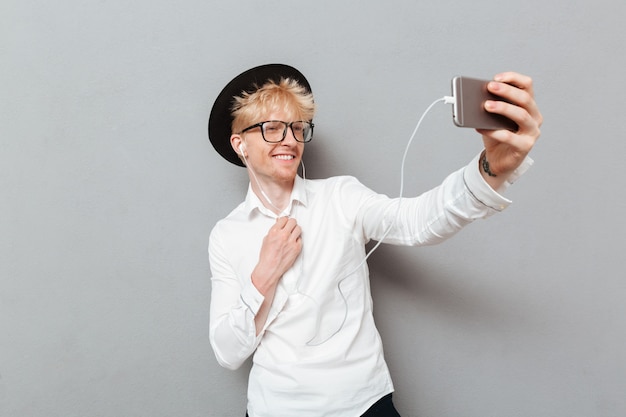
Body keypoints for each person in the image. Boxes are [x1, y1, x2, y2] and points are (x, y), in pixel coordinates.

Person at [207, 64, 542, 417]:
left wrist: (492, 167)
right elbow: (228, 353)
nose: (289, 139)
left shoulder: (341, 196)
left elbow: (419, 222)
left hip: (364, 406)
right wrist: (264, 274)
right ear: (239, 143)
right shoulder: (227, 235)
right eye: (272, 128)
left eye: (296, 128)